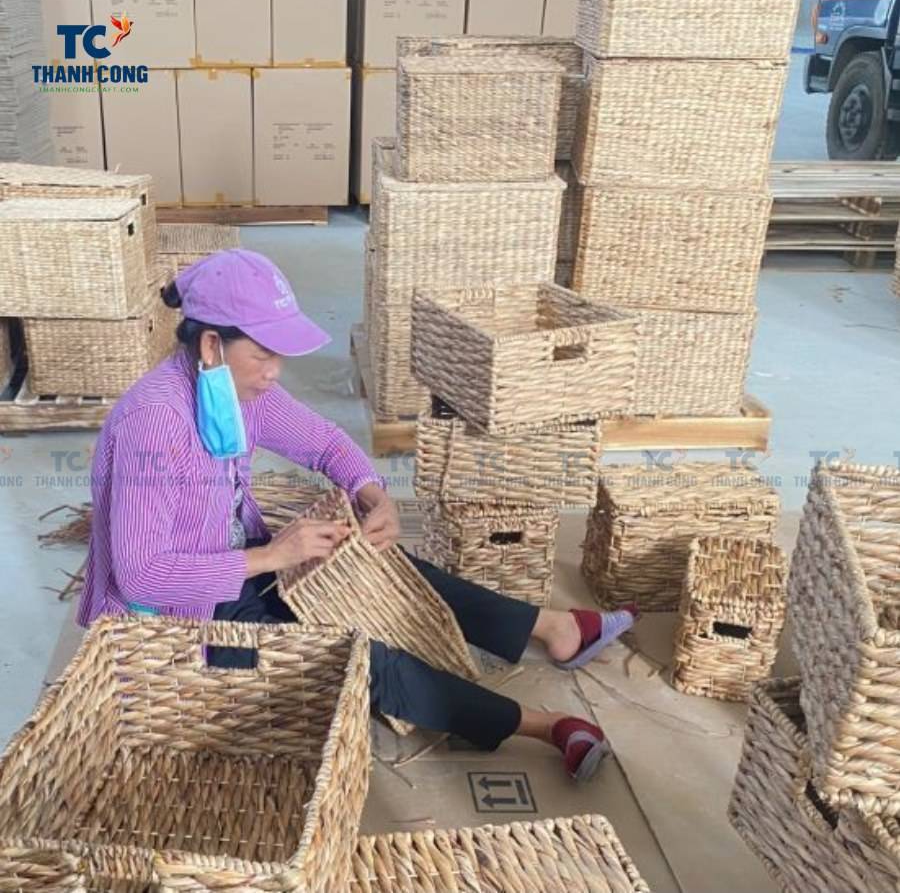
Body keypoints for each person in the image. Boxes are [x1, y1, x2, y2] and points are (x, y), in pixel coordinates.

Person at [78, 249, 637, 782]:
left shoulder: (233, 391)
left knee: (388, 564)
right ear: (210, 345)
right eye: (264, 354)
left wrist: (375, 495)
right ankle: (542, 726)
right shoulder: (155, 423)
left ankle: (553, 627)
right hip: (178, 617)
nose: (275, 371)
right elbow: (141, 576)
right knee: (350, 658)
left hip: (233, 562)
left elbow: (324, 443)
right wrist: (274, 556)